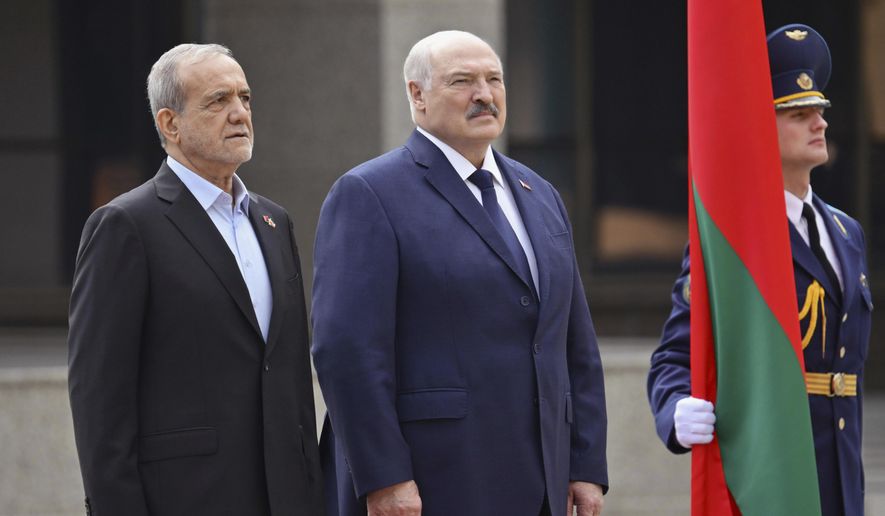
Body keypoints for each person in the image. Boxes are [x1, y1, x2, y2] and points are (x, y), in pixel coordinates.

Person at [311, 30, 608, 516]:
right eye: (462, 81)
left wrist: (586, 463)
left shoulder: (541, 193)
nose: (484, 95)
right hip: (434, 482)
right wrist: (385, 477)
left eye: (494, 80)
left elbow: (574, 341)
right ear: (417, 95)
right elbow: (347, 352)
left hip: (543, 485)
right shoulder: (369, 193)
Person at [67, 43, 324, 515]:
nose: (239, 113)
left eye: (245, 99)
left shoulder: (274, 221)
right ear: (170, 124)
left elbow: (287, 376)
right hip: (186, 497)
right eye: (218, 100)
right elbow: (100, 398)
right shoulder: (126, 225)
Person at [647, 24, 871, 515]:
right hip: (774, 468)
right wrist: (673, 409)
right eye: (798, 113)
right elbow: (675, 357)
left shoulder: (846, 231)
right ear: (758, 126)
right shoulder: (732, 240)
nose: (820, 124)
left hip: (842, 470)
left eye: (821, 112)